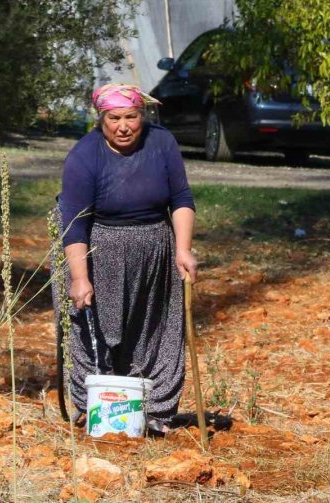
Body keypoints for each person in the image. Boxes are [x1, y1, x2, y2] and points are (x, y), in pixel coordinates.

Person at [51, 83, 197, 434]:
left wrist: (183, 248)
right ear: (101, 119)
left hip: (154, 244)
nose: (123, 127)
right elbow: (73, 224)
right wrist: (79, 277)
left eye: (131, 117)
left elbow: (180, 198)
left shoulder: (161, 142)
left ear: (142, 115)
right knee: (90, 327)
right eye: (114, 118)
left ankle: (155, 411)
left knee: (155, 326)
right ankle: (92, 407)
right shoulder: (84, 155)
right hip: (95, 245)